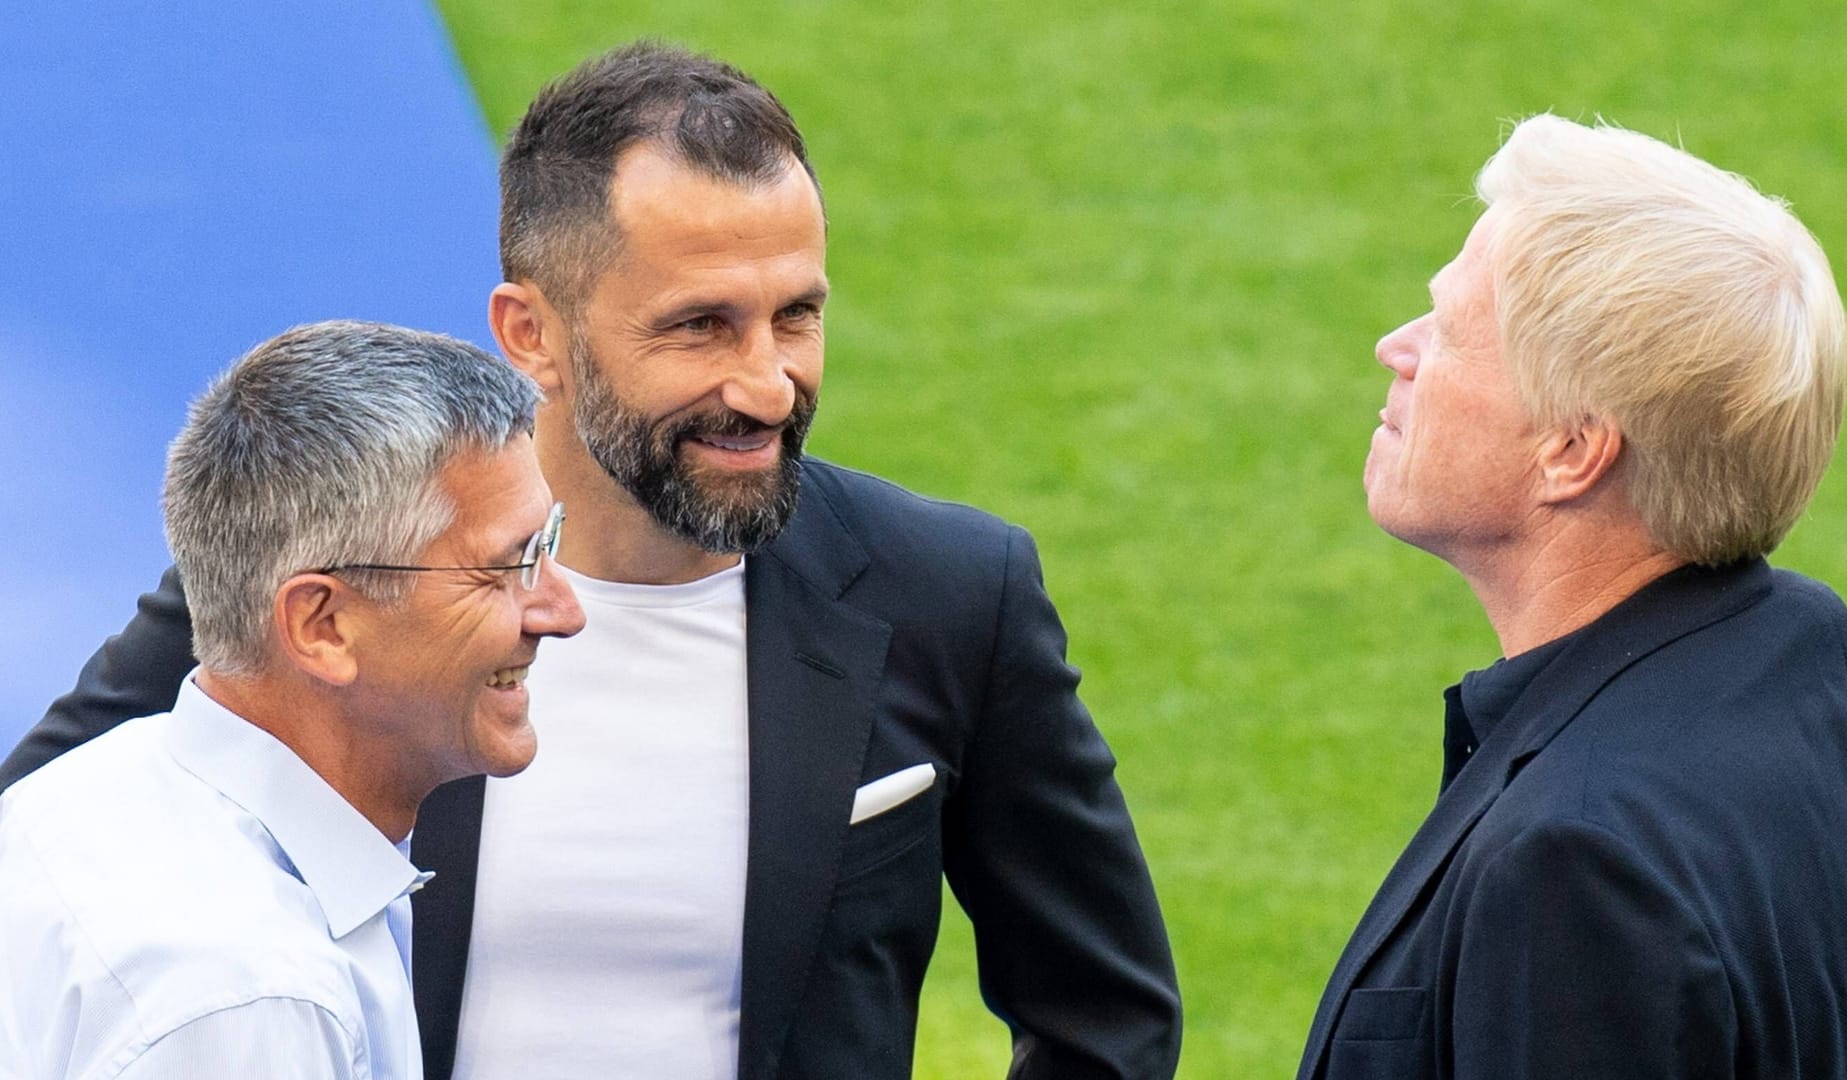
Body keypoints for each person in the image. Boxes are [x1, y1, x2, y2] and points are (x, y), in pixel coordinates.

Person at [0, 42, 1181, 1080]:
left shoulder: (951, 594)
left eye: (798, 315)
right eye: (699, 325)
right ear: (533, 335)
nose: (769, 383)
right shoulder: (343, 571)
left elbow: (1105, 1020)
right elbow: (42, 850)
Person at [1296, 114, 1847, 1080]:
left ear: (1573, 450)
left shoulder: (1576, 864)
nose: (1395, 348)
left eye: (1451, 333)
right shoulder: (1845, 685)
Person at [0, 321, 585, 1077]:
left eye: (549, 543)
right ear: (323, 626)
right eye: (508, 565)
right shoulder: (247, 995)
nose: (563, 611)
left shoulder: (89, 798)